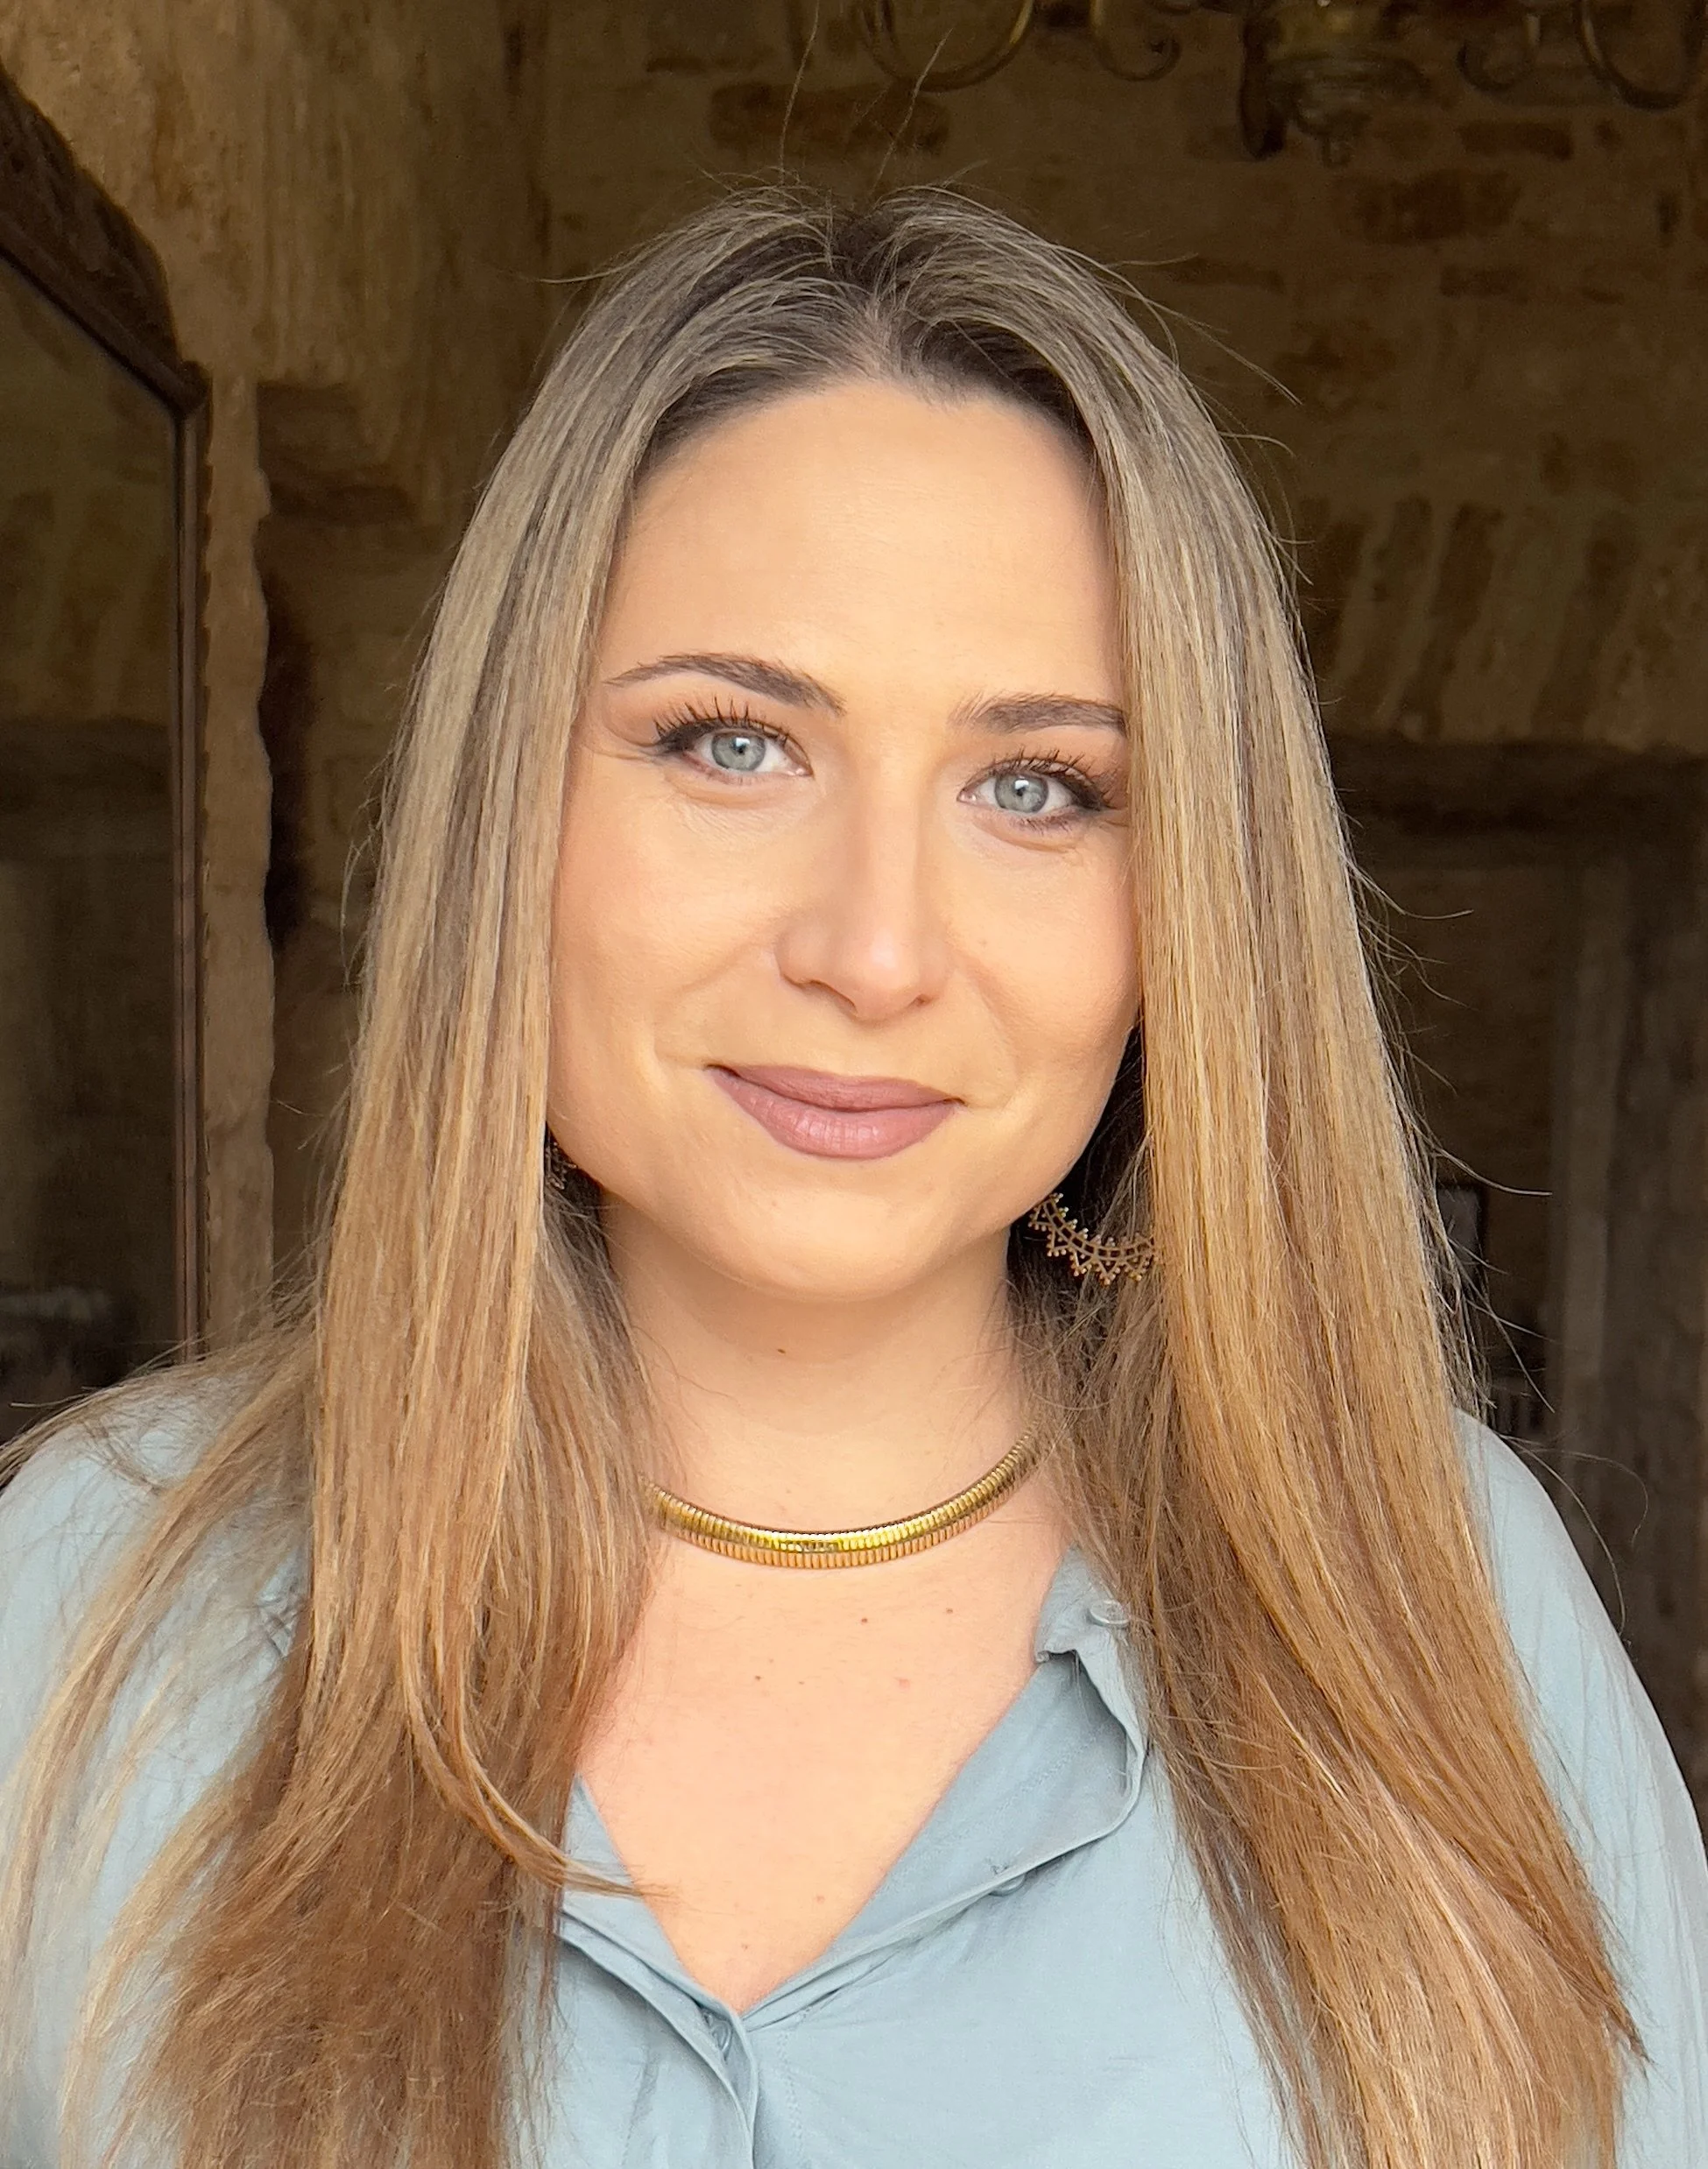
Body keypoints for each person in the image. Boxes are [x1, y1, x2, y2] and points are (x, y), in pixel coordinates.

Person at [2, 186, 1704, 2169]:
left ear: (1186, 913)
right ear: (509, 812)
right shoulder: (81, 1602)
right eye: (731, 743)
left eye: (1039, 786)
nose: (878, 948)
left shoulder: (1445, 1605)